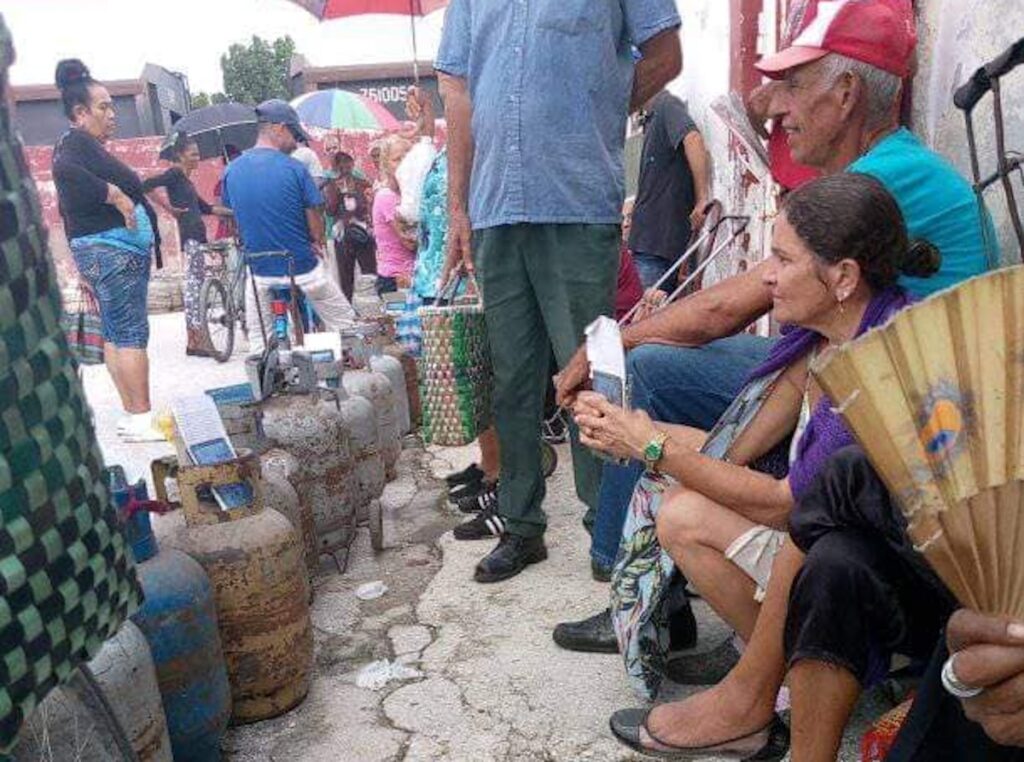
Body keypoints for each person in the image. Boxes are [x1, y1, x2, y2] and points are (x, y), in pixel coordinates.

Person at [553, 0, 992, 652]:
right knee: (716, 396)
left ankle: (641, 591)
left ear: (845, 95)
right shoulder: (879, 169)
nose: (770, 102)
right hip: (879, 398)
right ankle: (663, 580)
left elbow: (724, 307)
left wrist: (616, 344)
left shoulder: (880, 179)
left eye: (793, 83)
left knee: (650, 370)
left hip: (915, 436)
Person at [597, 172, 934, 759]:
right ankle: (786, 677)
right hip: (832, 552)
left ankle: (767, 686)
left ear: (844, 278)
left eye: (782, 258)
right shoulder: (815, 344)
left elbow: (789, 505)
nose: (768, 274)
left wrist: (654, 447)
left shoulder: (883, 361)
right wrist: (633, 435)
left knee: (703, 516)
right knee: (679, 503)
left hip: (892, 588)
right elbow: (730, 452)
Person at [435, 0, 683, 584]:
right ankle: (521, 526)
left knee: (590, 376)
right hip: (496, 209)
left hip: (574, 198)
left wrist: (594, 112)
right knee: (512, 379)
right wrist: (457, 208)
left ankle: (607, 527)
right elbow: (459, 94)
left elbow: (665, 54)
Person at [51, 58, 163, 443]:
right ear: (80, 113)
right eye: (104, 107)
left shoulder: (78, 144)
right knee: (131, 332)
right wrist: (114, 194)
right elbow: (65, 173)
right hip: (114, 252)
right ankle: (142, 418)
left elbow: (66, 205)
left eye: (113, 106)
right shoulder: (75, 144)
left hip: (100, 251)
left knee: (116, 333)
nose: (112, 115)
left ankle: (133, 416)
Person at [221, 99, 357, 354]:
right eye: (294, 134)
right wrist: (315, 242)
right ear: (279, 128)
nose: (296, 142)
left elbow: (237, 216)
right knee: (345, 322)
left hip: (259, 271)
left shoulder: (231, 171)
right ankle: (349, 359)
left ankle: (264, 371)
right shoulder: (295, 168)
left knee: (260, 342)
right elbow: (316, 228)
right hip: (302, 267)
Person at [143, 131, 232, 355]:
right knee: (194, 290)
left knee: (199, 287)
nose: (196, 158)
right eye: (192, 154)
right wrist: (168, 208)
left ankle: (196, 340)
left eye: (197, 154)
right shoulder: (174, 174)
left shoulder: (186, 182)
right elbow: (146, 185)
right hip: (191, 239)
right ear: (180, 155)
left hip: (197, 238)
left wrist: (235, 212)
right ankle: (194, 341)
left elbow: (208, 208)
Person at [629, 91, 710, 289]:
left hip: (657, 248)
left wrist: (702, 199)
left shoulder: (667, 105)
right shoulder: (650, 119)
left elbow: (693, 139)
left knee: (645, 316)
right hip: (648, 244)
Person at [372, 134, 416, 295]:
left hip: (413, 275)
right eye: (397, 159)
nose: (404, 163)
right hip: (395, 279)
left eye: (408, 157)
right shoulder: (387, 197)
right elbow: (410, 242)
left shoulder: (410, 195)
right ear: (385, 165)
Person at [329, 150, 376, 302]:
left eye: (347, 163)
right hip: (343, 235)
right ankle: (349, 309)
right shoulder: (332, 185)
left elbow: (369, 206)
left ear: (352, 164)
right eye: (340, 164)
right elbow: (330, 210)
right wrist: (338, 193)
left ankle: (373, 304)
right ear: (336, 167)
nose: (344, 167)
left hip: (361, 232)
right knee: (345, 275)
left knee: (369, 272)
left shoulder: (362, 183)